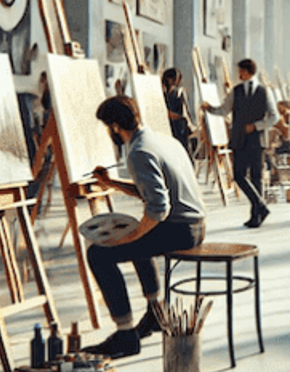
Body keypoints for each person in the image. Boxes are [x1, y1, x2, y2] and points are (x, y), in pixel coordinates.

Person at [84, 95, 206, 358]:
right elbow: (153, 192)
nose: (109, 133)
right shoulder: (162, 140)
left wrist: (133, 236)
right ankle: (154, 312)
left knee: (98, 253)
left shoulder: (139, 152)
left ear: (116, 126)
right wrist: (113, 183)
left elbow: (159, 208)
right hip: (195, 225)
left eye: (108, 127)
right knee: (139, 236)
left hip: (179, 229)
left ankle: (125, 334)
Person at [203, 59, 277, 227]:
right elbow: (224, 110)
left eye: (240, 71)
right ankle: (261, 206)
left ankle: (256, 216)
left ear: (247, 71)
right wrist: (209, 108)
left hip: (257, 140)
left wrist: (257, 126)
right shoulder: (236, 91)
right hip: (239, 139)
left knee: (257, 178)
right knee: (238, 175)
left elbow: (274, 117)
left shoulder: (264, 91)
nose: (238, 74)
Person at [161, 67, 193, 152]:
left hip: (179, 129)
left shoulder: (178, 93)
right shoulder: (164, 95)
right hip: (170, 129)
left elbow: (184, 113)